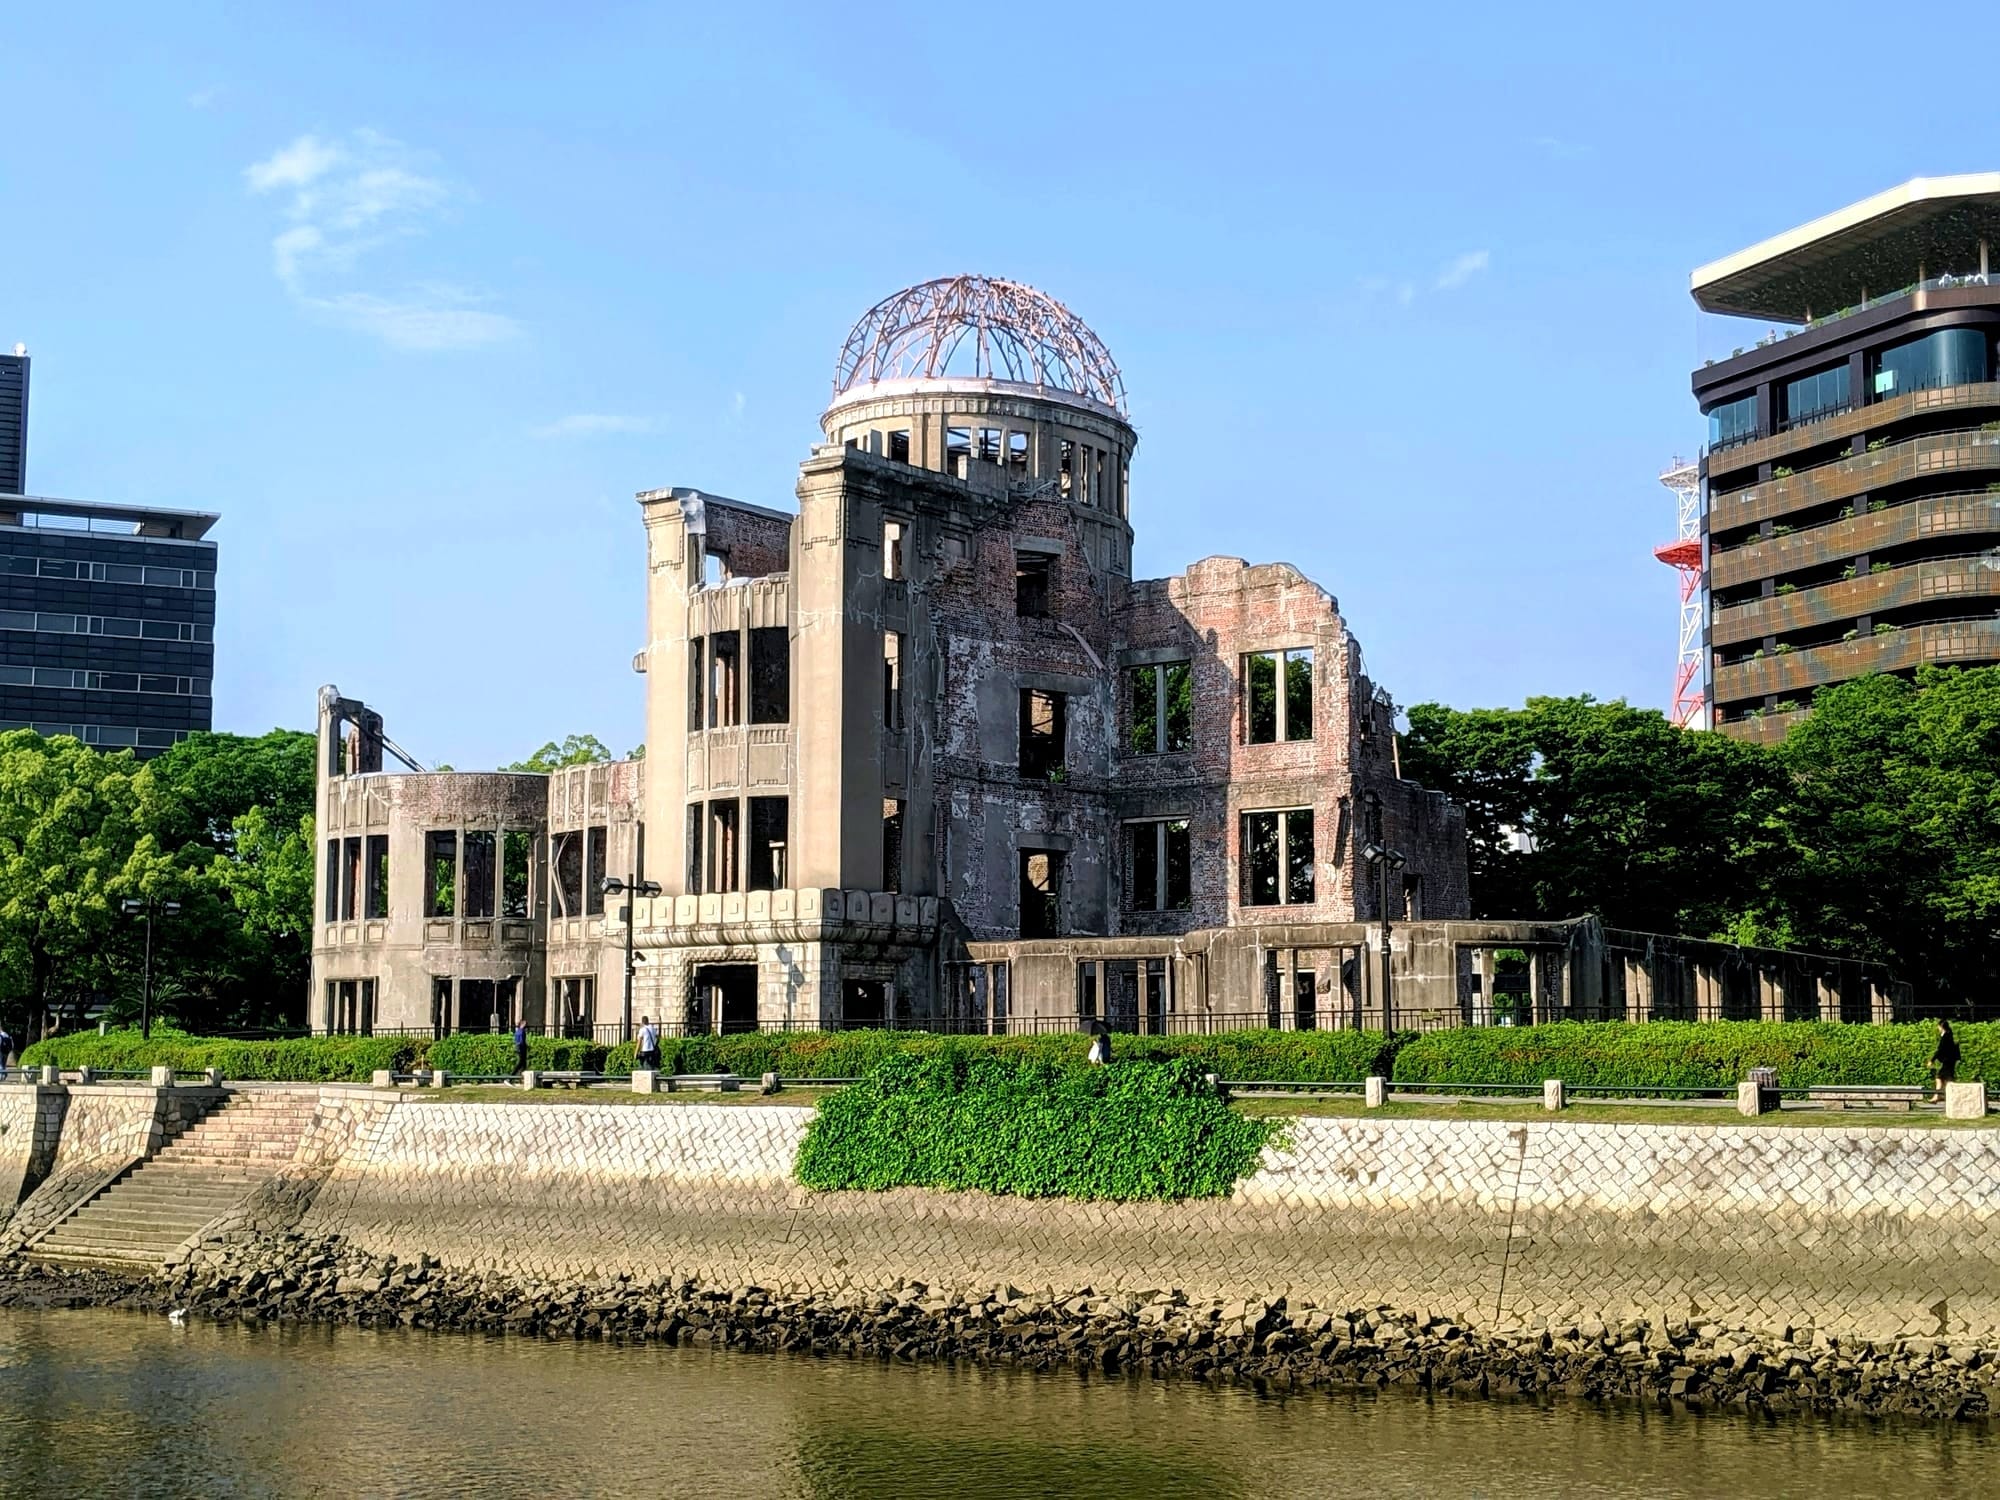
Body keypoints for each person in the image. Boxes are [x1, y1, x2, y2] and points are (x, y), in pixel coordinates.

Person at [1931, 1017, 1961, 1099]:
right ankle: (1940, 1096)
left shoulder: (1945, 1037)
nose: (1937, 1028)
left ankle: (1937, 1096)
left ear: (1941, 1027)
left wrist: (1932, 1060)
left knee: (1939, 1077)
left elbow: (1940, 1050)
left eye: (1938, 1026)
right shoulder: (1948, 1035)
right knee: (1947, 1079)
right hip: (1950, 1061)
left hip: (1948, 1061)